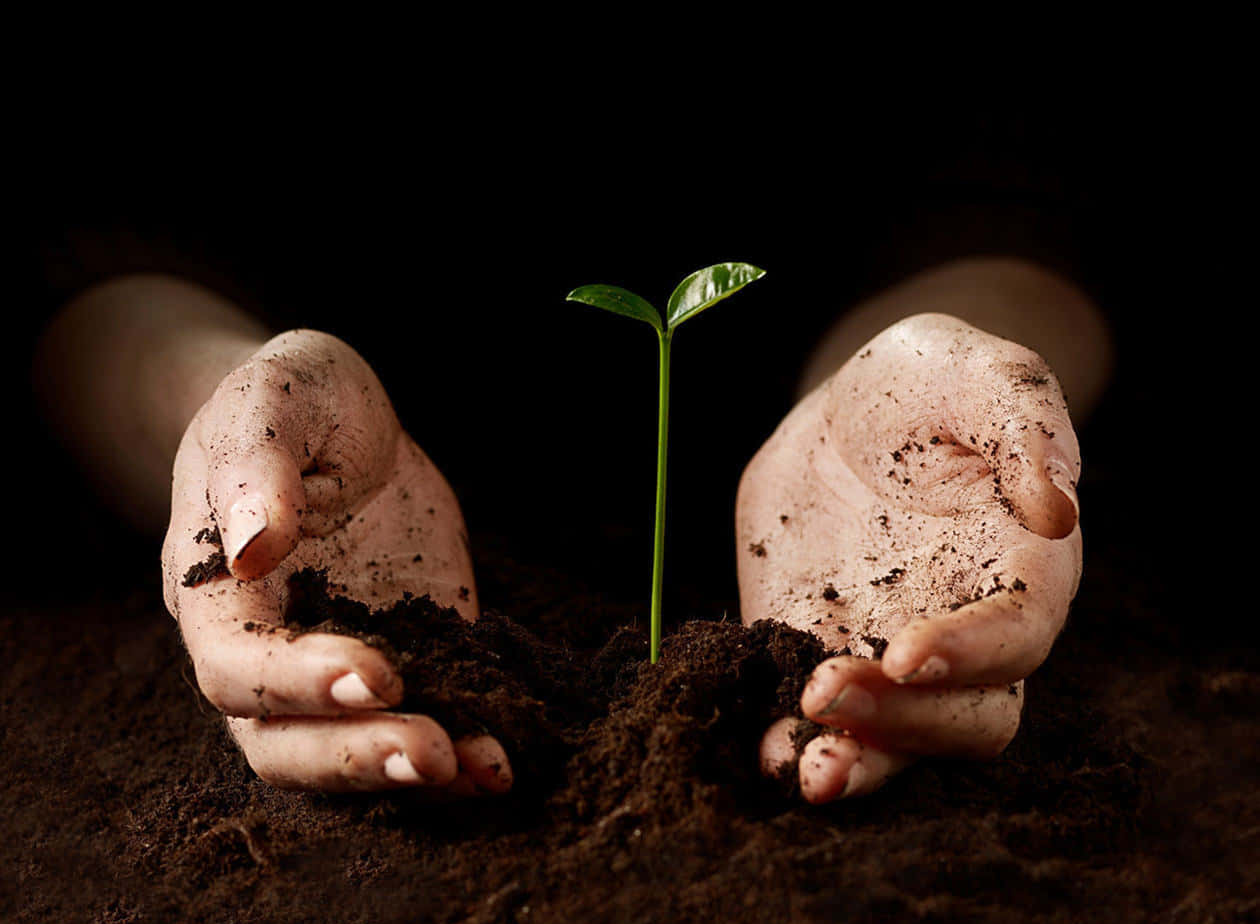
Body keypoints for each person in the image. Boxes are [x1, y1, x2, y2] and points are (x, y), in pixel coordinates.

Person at [33, 257, 1110, 801]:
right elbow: (75, 265)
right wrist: (229, 414)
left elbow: (1032, 209)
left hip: (830, 516)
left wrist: (951, 404)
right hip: (369, 503)